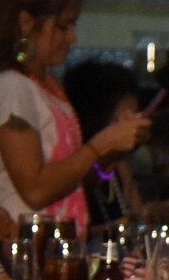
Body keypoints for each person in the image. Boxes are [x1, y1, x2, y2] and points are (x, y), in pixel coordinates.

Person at [0, 0, 149, 235]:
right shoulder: (11, 89)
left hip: (56, 248)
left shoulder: (48, 87)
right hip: (23, 255)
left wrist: (115, 145)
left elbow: (73, 181)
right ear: (26, 23)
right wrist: (100, 144)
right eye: (63, 26)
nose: (73, 37)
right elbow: (36, 190)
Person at [61, 60, 149, 226]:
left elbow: (137, 215)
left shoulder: (120, 166)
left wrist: (153, 211)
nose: (131, 126)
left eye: (135, 116)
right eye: (122, 119)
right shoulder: (73, 168)